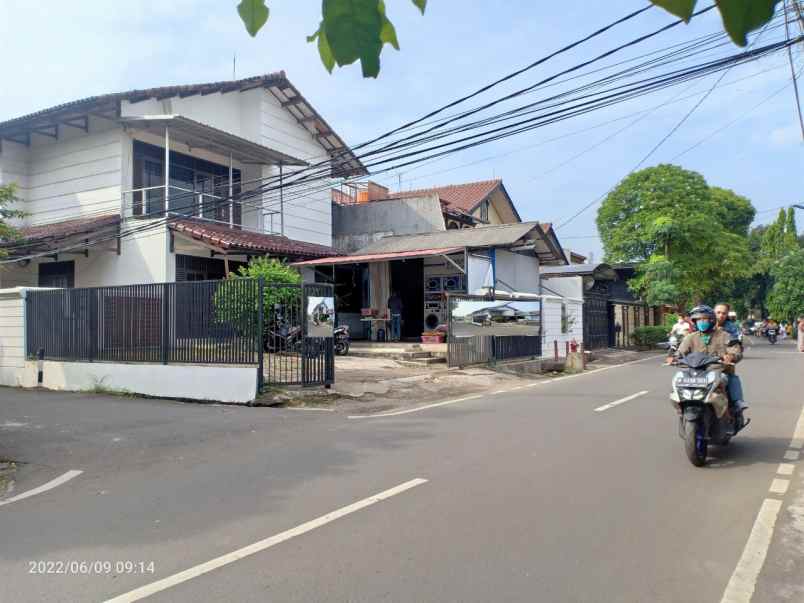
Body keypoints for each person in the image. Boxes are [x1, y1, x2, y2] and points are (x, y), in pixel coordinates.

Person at [675, 305, 746, 426]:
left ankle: (730, 412)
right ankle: (683, 407)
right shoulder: (690, 337)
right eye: (699, 320)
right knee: (679, 380)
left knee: (726, 379)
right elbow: (680, 352)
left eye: (705, 319)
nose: (702, 322)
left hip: (719, 371)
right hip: (696, 373)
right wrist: (674, 357)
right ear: (695, 322)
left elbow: (735, 349)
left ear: (712, 320)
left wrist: (731, 356)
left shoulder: (724, 335)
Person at [714, 303, 746, 409]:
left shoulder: (731, 328)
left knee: (731, 377)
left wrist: (731, 356)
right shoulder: (704, 326)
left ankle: (738, 402)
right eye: (718, 312)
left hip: (723, 364)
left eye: (724, 313)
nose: (721, 315)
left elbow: (735, 347)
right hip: (704, 364)